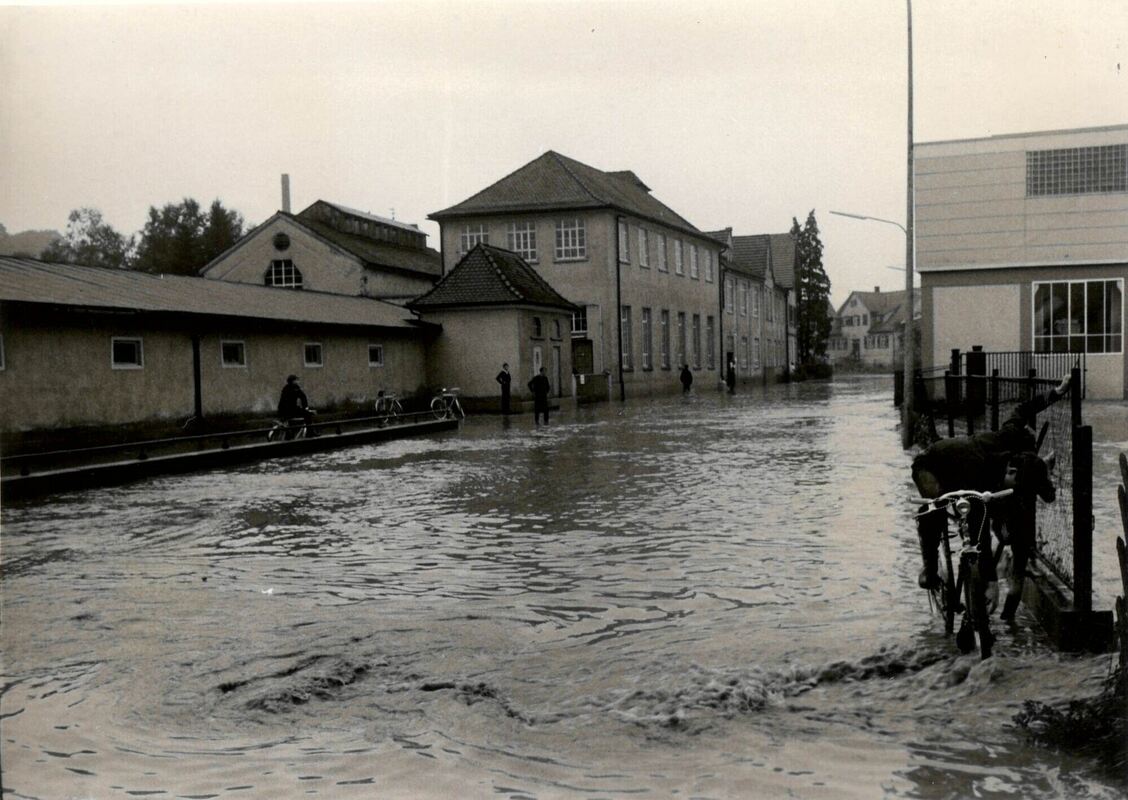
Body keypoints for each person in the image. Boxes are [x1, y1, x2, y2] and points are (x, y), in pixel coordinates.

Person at [912, 374, 1069, 601]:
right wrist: (991, 581)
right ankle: (930, 568)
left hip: (971, 470)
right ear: (1012, 468)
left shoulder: (1015, 447)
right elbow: (979, 528)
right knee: (934, 507)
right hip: (931, 465)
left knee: (994, 509)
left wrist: (1057, 392)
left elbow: (1024, 409)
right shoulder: (985, 465)